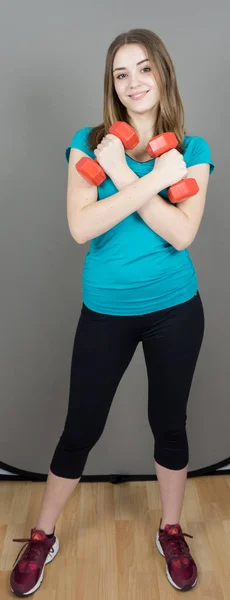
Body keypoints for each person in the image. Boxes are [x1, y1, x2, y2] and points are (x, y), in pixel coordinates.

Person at [10, 28, 215, 596]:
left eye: (144, 69)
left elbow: (181, 232)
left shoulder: (192, 151)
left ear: (163, 74)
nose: (133, 83)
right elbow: (82, 227)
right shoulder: (88, 141)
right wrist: (150, 179)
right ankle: (41, 534)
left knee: (169, 426)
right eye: (121, 73)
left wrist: (125, 176)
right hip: (106, 311)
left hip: (176, 308)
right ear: (112, 84)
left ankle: (171, 530)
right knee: (81, 428)